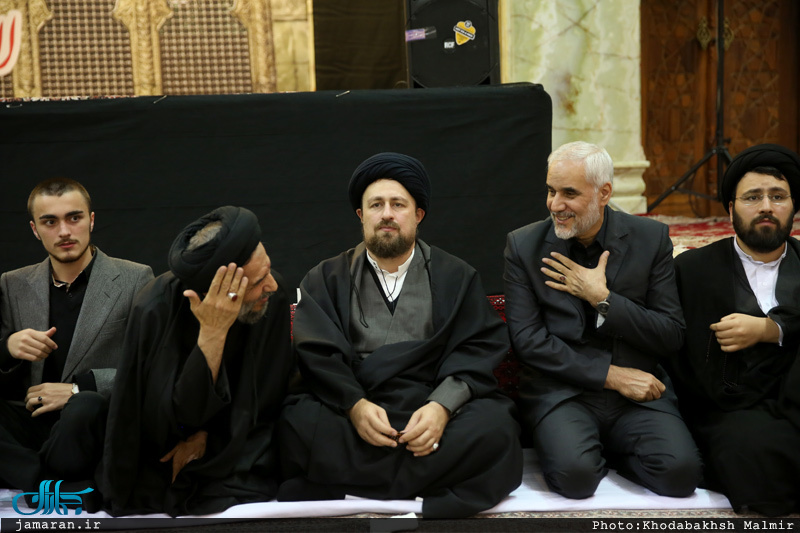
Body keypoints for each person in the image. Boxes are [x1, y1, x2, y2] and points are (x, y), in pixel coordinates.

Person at [277, 152, 522, 518]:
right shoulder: (325, 277)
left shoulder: (456, 275)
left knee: (496, 427)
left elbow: (477, 348)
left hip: (428, 403)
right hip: (356, 404)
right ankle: (424, 483)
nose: (387, 214)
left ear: (418, 214)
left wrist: (442, 407)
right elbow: (317, 354)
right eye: (376, 205)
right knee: (296, 422)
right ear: (361, 215)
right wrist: (355, 406)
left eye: (398, 204)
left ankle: (352, 486)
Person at [504, 141, 701, 500]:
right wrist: (611, 376)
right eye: (550, 191)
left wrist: (603, 300)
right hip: (563, 391)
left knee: (680, 476)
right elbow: (529, 342)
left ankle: (616, 454)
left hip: (639, 392)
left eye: (569, 193)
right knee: (576, 478)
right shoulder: (523, 246)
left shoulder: (650, 238)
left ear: (604, 193)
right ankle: (591, 453)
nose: (555, 204)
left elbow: (671, 334)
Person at [99, 206, 294, 516]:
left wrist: (208, 437)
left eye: (268, 270)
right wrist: (214, 332)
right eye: (258, 282)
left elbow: (264, 396)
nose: (270, 285)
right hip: (168, 442)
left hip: (238, 436)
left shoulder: (274, 295)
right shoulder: (155, 308)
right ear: (218, 290)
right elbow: (156, 416)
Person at [0, 178, 153, 492]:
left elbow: (153, 367)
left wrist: (77, 388)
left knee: (86, 404)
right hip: (32, 427)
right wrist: (7, 348)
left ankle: (37, 481)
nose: (64, 231)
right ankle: (44, 482)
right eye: (50, 222)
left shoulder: (136, 278)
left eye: (74, 218)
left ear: (91, 220)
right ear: (35, 229)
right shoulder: (12, 283)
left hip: (91, 425)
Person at [671, 144, 800, 516]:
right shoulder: (693, 270)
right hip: (730, 406)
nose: (766, 207)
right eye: (752, 197)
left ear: (793, 207)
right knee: (749, 450)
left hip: (795, 399)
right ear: (730, 209)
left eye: (778, 197)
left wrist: (771, 329)